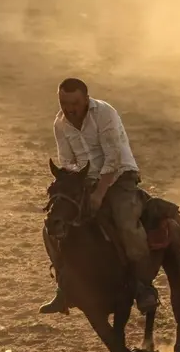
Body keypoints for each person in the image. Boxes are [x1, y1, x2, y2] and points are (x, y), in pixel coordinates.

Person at [39, 78, 159, 315]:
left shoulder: (104, 113)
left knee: (125, 221)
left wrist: (99, 193)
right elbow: (67, 161)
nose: (69, 108)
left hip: (120, 175)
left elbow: (113, 158)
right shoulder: (60, 123)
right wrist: (74, 184)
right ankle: (63, 286)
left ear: (86, 99)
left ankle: (143, 285)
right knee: (52, 223)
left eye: (74, 103)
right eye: (64, 103)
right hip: (85, 180)